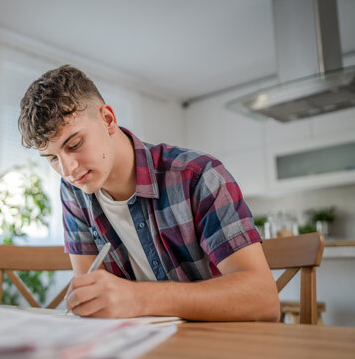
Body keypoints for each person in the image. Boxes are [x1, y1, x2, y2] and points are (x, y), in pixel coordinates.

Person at [18, 65, 279, 321]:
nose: (67, 170)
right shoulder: (74, 191)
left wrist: (139, 297)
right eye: (52, 158)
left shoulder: (199, 177)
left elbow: (263, 298)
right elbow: (91, 297)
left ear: (108, 120)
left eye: (74, 144)